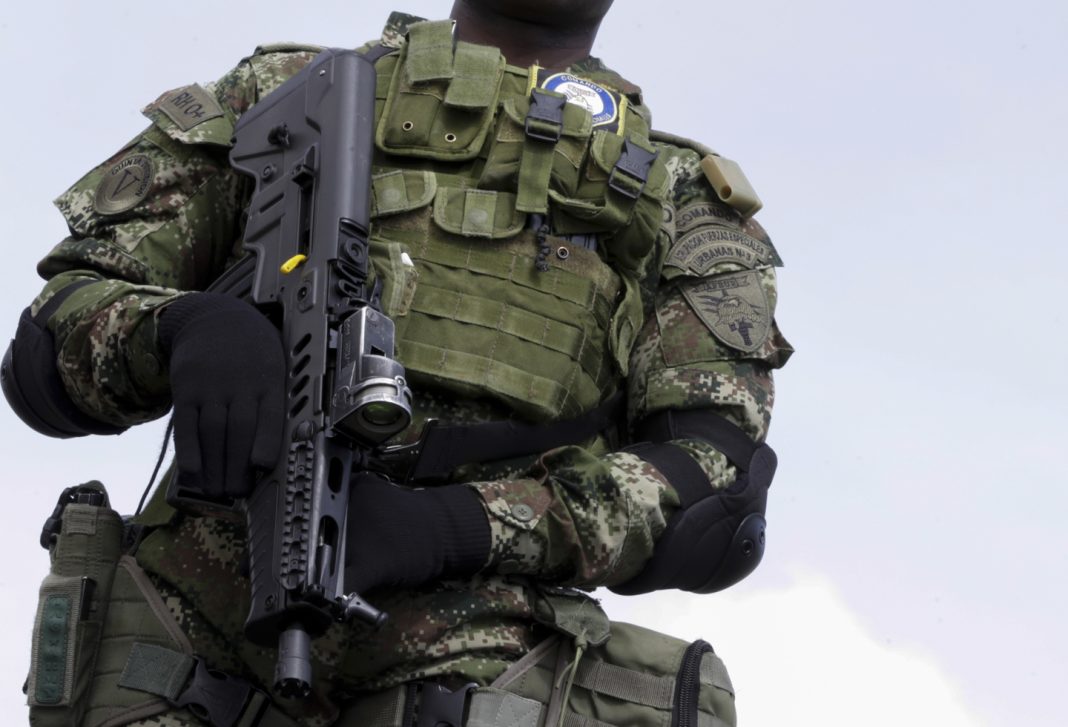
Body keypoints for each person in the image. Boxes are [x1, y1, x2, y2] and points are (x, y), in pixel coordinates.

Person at [5, 2, 792, 725]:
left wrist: (459, 527)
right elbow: (52, 336)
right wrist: (178, 330)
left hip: (469, 679)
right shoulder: (284, 94)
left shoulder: (681, 200)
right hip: (184, 655)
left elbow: (711, 492)